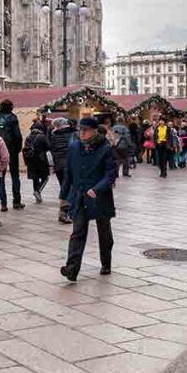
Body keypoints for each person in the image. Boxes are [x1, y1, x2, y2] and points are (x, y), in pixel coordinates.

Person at [59, 117, 117, 281]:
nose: (82, 133)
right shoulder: (73, 147)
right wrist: (63, 196)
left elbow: (110, 174)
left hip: (99, 197)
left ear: (94, 131)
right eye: (80, 130)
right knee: (77, 232)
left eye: (85, 130)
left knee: (104, 232)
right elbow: (68, 173)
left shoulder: (105, 148)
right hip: (80, 197)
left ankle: (106, 263)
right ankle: (72, 269)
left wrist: (97, 189)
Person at [0, 99, 24, 211]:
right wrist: (18, 148)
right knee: (15, 176)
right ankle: (17, 201)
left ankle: (3, 203)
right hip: (11, 150)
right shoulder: (12, 118)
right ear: (11, 107)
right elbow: (17, 135)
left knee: (1, 177)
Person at [49, 117, 74, 223]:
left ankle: (64, 211)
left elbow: (52, 150)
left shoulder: (54, 136)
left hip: (59, 165)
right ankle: (66, 211)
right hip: (72, 164)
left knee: (64, 187)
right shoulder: (75, 134)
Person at [23, 122, 51, 202]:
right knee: (45, 178)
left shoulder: (28, 137)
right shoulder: (42, 136)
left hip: (30, 160)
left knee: (35, 178)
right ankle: (37, 191)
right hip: (41, 160)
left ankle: (37, 197)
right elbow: (48, 146)